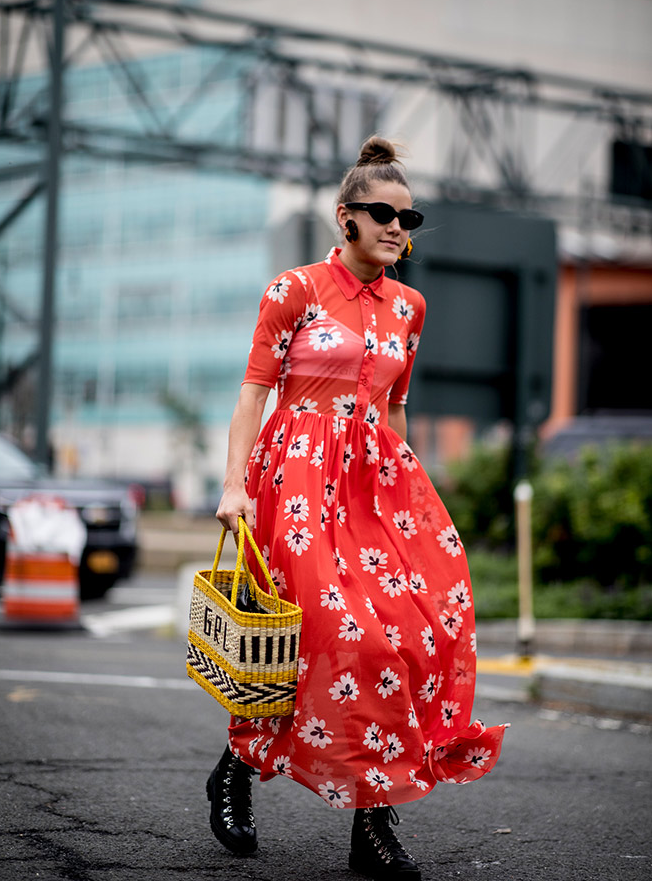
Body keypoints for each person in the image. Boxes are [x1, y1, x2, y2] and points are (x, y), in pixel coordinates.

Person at [211, 136, 507, 880]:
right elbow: (253, 394)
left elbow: (395, 411)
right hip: (298, 480)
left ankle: (372, 826)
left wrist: (405, 497)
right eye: (381, 213)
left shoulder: (410, 306)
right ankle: (235, 770)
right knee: (324, 638)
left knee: (406, 633)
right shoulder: (296, 290)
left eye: (408, 218)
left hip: (374, 489)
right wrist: (234, 485)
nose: (396, 228)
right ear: (344, 217)